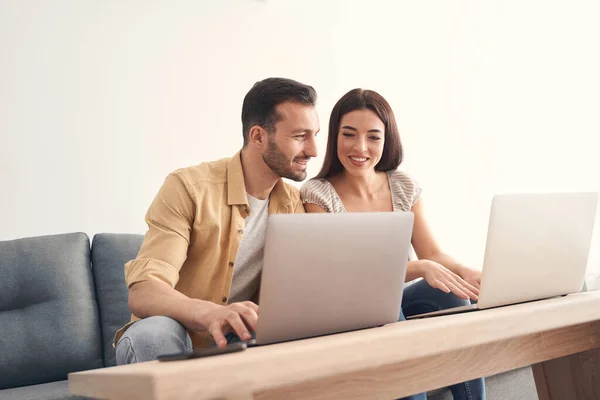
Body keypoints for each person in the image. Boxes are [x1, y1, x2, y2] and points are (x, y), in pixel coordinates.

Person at [114, 77, 320, 365]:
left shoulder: (295, 203)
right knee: (152, 335)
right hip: (178, 332)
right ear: (258, 137)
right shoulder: (188, 187)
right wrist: (211, 313)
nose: (313, 150)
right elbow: (144, 292)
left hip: (239, 341)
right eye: (300, 137)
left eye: (314, 135)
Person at [300, 88, 485, 400]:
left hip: (399, 300)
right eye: (349, 134)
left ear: (387, 140)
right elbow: (345, 272)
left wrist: (467, 272)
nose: (360, 147)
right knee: (383, 310)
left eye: (373, 136)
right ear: (335, 137)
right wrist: (419, 267)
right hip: (351, 309)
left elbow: (433, 254)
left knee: (452, 294)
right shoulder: (317, 194)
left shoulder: (402, 185)